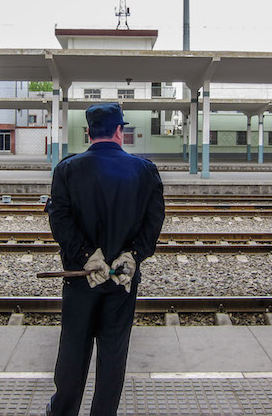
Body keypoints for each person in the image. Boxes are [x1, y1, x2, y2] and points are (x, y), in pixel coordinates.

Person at [46, 103, 165, 416]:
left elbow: (60, 221)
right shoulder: (144, 170)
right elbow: (154, 223)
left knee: (74, 347)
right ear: (119, 132)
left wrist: (87, 256)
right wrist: (134, 255)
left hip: (80, 278)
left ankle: (63, 410)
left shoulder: (67, 169)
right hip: (123, 280)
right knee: (113, 351)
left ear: (88, 132)